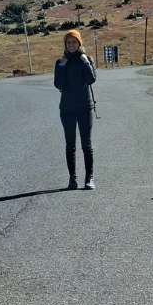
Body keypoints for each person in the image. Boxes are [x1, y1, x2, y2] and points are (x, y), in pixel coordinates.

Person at [54, 29, 97, 189]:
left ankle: (89, 178)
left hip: (85, 107)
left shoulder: (87, 59)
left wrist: (86, 62)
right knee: (70, 145)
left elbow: (91, 79)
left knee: (87, 144)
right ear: (65, 44)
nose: (71, 45)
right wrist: (62, 66)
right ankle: (72, 178)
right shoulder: (60, 62)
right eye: (68, 42)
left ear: (79, 43)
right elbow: (59, 84)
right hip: (67, 109)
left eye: (74, 42)